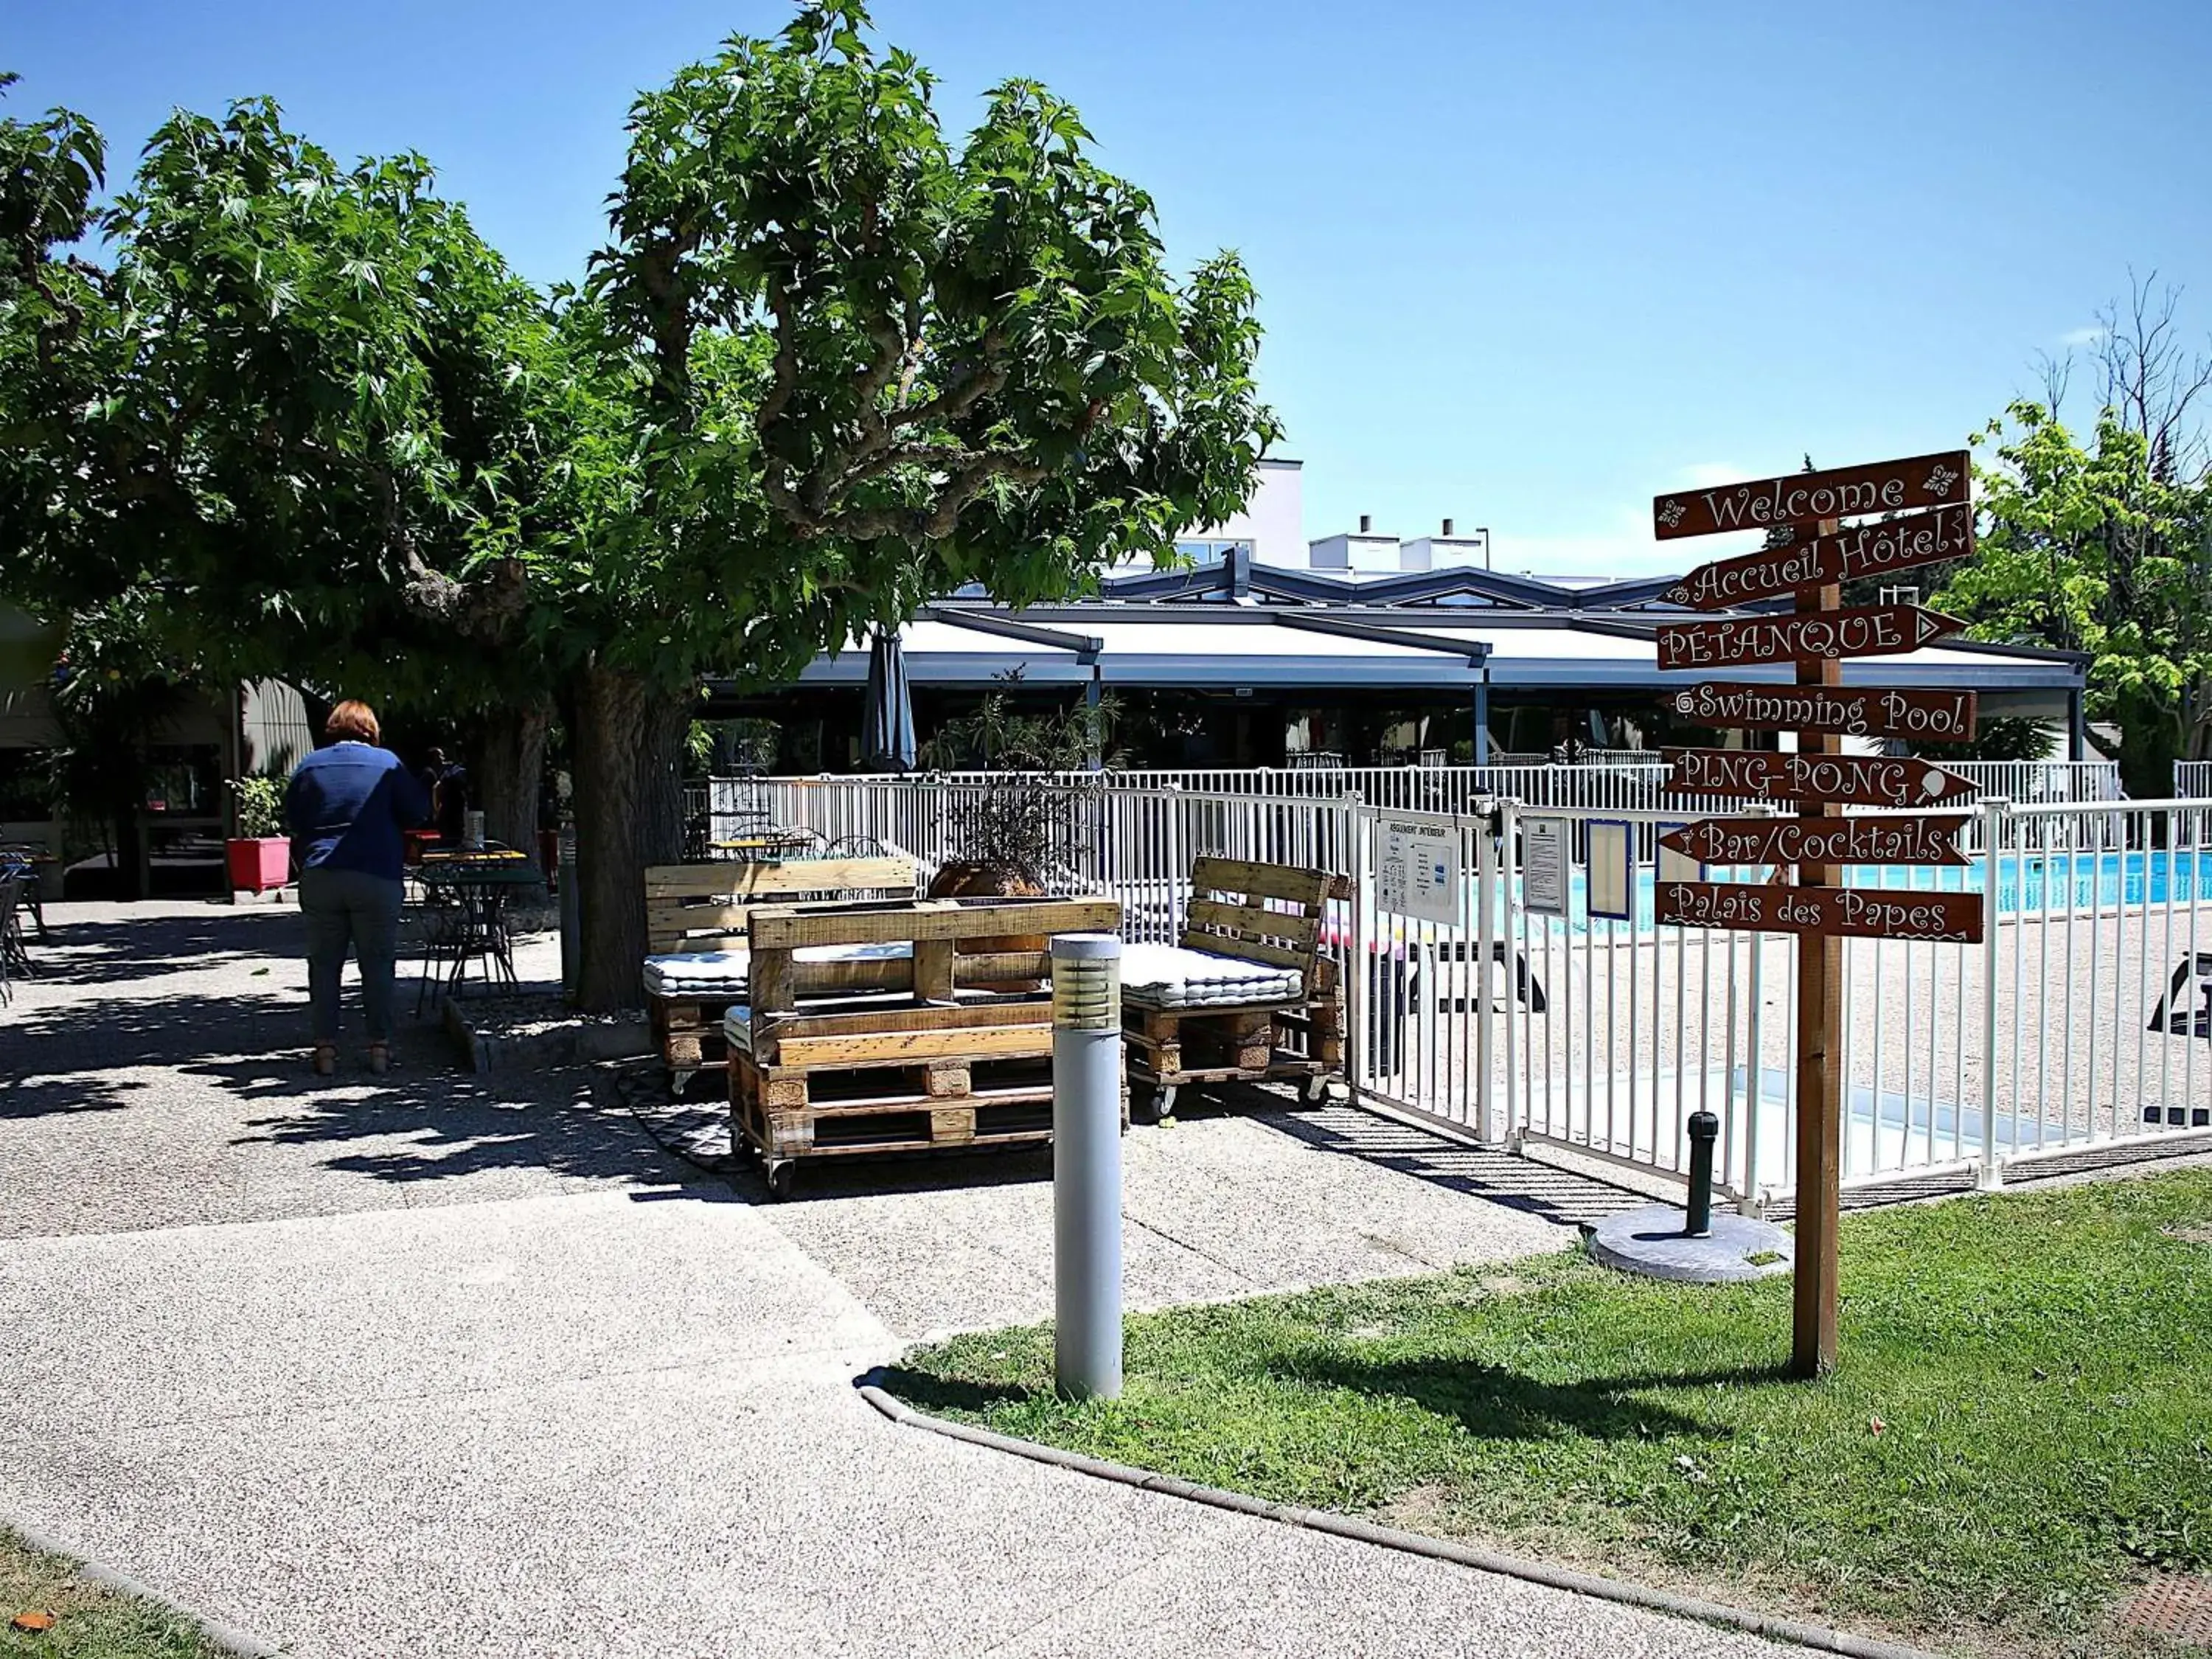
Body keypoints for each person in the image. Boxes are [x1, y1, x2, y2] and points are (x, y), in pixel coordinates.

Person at [285, 700, 431, 1075]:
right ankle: (379, 1049)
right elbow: (416, 812)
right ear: (371, 729)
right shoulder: (388, 764)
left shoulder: (309, 765)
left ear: (333, 727)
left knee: (324, 965)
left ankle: (325, 1051)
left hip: (322, 873)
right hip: (376, 874)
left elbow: (293, 818)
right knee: (378, 963)